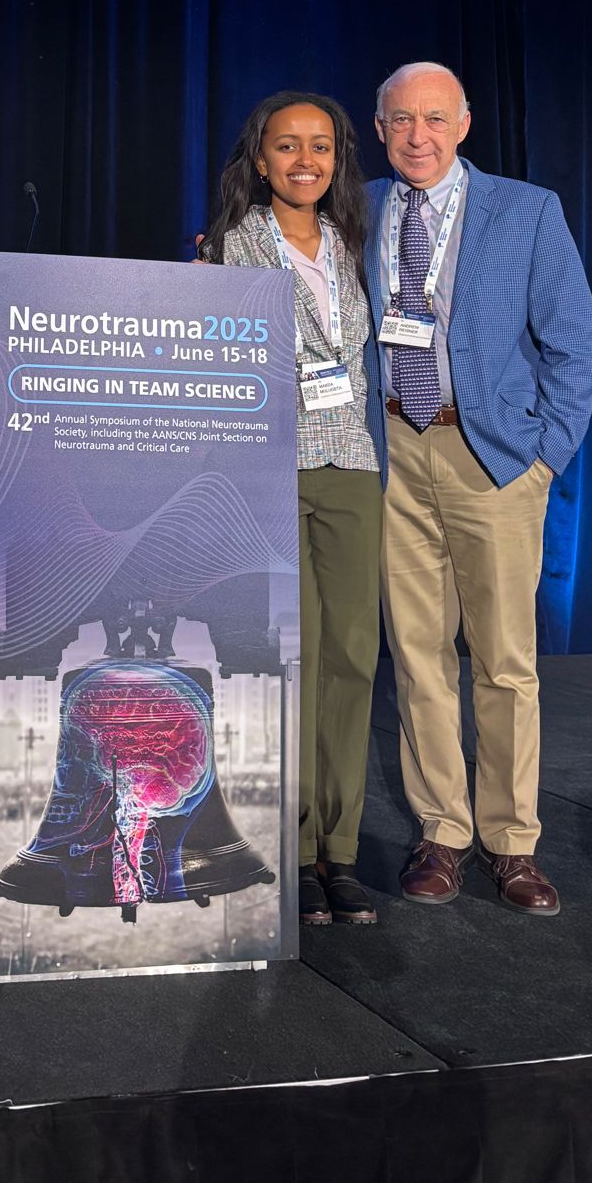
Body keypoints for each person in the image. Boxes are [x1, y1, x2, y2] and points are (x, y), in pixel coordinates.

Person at [368, 62, 592, 914]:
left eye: (435, 119)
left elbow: (574, 341)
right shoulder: (361, 207)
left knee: (504, 662)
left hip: (493, 457)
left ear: (463, 125)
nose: (418, 136)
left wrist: (547, 457)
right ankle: (442, 832)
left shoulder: (526, 210)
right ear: (380, 129)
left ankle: (512, 843)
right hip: (392, 450)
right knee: (418, 655)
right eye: (401, 120)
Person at [203, 92, 385, 928]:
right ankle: (293, 844)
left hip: (352, 465)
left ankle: (339, 852)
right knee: (295, 660)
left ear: (338, 158)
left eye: (320, 146)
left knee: (353, 656)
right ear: (260, 158)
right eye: (287, 146)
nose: (304, 161)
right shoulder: (227, 249)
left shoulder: (358, 243)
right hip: (270, 469)